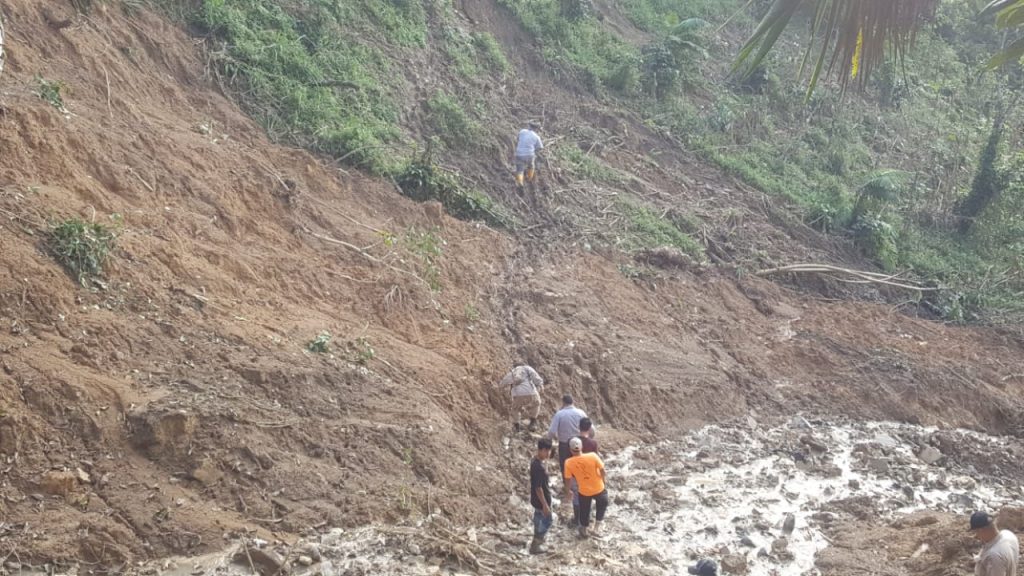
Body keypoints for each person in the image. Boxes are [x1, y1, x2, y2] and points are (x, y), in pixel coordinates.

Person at [563, 437, 608, 538]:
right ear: (582, 447)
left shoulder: (568, 462)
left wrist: (568, 491)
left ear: (570, 450)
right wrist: (603, 482)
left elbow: (567, 479)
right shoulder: (592, 456)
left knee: (584, 510)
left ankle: (584, 529)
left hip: (584, 491)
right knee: (602, 505)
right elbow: (603, 471)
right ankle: (596, 528)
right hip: (599, 488)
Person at [546, 395, 587, 477]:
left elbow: (552, 431)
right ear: (573, 402)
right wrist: (588, 439)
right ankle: (579, 484)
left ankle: (567, 486)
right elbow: (591, 428)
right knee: (580, 464)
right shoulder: (581, 413)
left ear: (563, 403)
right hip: (579, 442)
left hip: (564, 444)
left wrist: (549, 441)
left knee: (565, 467)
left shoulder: (560, 414)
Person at [970, 511, 1020, 576]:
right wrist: (978, 559)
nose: (976, 536)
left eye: (976, 532)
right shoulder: (1008, 534)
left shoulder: (994, 556)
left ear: (981, 530)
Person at [499, 365, 544, 431]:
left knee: (515, 409)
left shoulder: (513, 372)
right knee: (536, 404)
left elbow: (503, 382)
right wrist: (540, 384)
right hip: (531, 391)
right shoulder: (527, 368)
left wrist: (500, 387)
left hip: (518, 394)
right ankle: (533, 422)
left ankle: (517, 426)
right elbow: (535, 376)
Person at [529, 438, 554, 554]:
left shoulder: (535, 462)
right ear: (543, 450)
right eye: (548, 451)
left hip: (536, 499)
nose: (549, 454)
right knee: (547, 520)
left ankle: (537, 541)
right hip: (540, 500)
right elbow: (539, 488)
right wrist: (545, 505)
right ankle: (536, 544)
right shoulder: (538, 468)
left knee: (538, 519)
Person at [514, 122, 544, 188]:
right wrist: (535, 151)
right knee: (531, 166)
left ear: (529, 126)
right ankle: (529, 179)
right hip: (530, 154)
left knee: (519, 170)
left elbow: (517, 139)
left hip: (519, 153)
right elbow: (540, 148)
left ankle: (520, 182)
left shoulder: (522, 131)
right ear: (536, 129)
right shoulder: (536, 137)